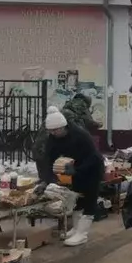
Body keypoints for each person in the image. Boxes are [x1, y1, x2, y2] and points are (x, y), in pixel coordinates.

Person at [36, 106, 104, 247]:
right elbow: (48, 160)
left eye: (56, 130)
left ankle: (82, 233)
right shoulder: (53, 139)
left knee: (89, 198)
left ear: (64, 126)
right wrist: (46, 180)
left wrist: (77, 169)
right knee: (76, 197)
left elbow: (94, 157)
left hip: (92, 169)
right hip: (74, 168)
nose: (54, 133)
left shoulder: (80, 135)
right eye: (51, 131)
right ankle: (76, 229)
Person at [32, 93, 99, 176]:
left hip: (39, 148)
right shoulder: (81, 106)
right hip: (47, 148)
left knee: (46, 174)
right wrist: (97, 124)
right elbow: (88, 122)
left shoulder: (66, 107)